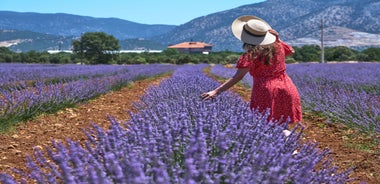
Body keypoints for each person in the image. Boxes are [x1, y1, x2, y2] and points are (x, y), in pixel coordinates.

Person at [201, 15, 302, 125]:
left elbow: (237, 77)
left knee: (265, 126)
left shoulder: (251, 55)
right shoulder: (278, 46)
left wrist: (216, 91)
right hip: (287, 88)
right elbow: (291, 52)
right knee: (283, 126)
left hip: (266, 92)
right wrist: (277, 39)